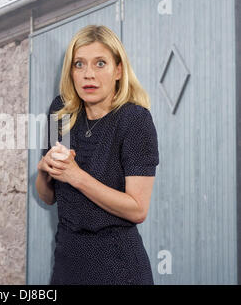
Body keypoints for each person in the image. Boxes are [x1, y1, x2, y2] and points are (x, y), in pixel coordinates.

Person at [35, 25, 159, 285]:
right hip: (67, 264)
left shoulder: (134, 120)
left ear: (118, 70)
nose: (88, 74)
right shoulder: (61, 112)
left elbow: (137, 209)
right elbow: (48, 198)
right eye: (79, 64)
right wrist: (45, 170)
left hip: (118, 268)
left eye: (100, 63)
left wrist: (76, 176)